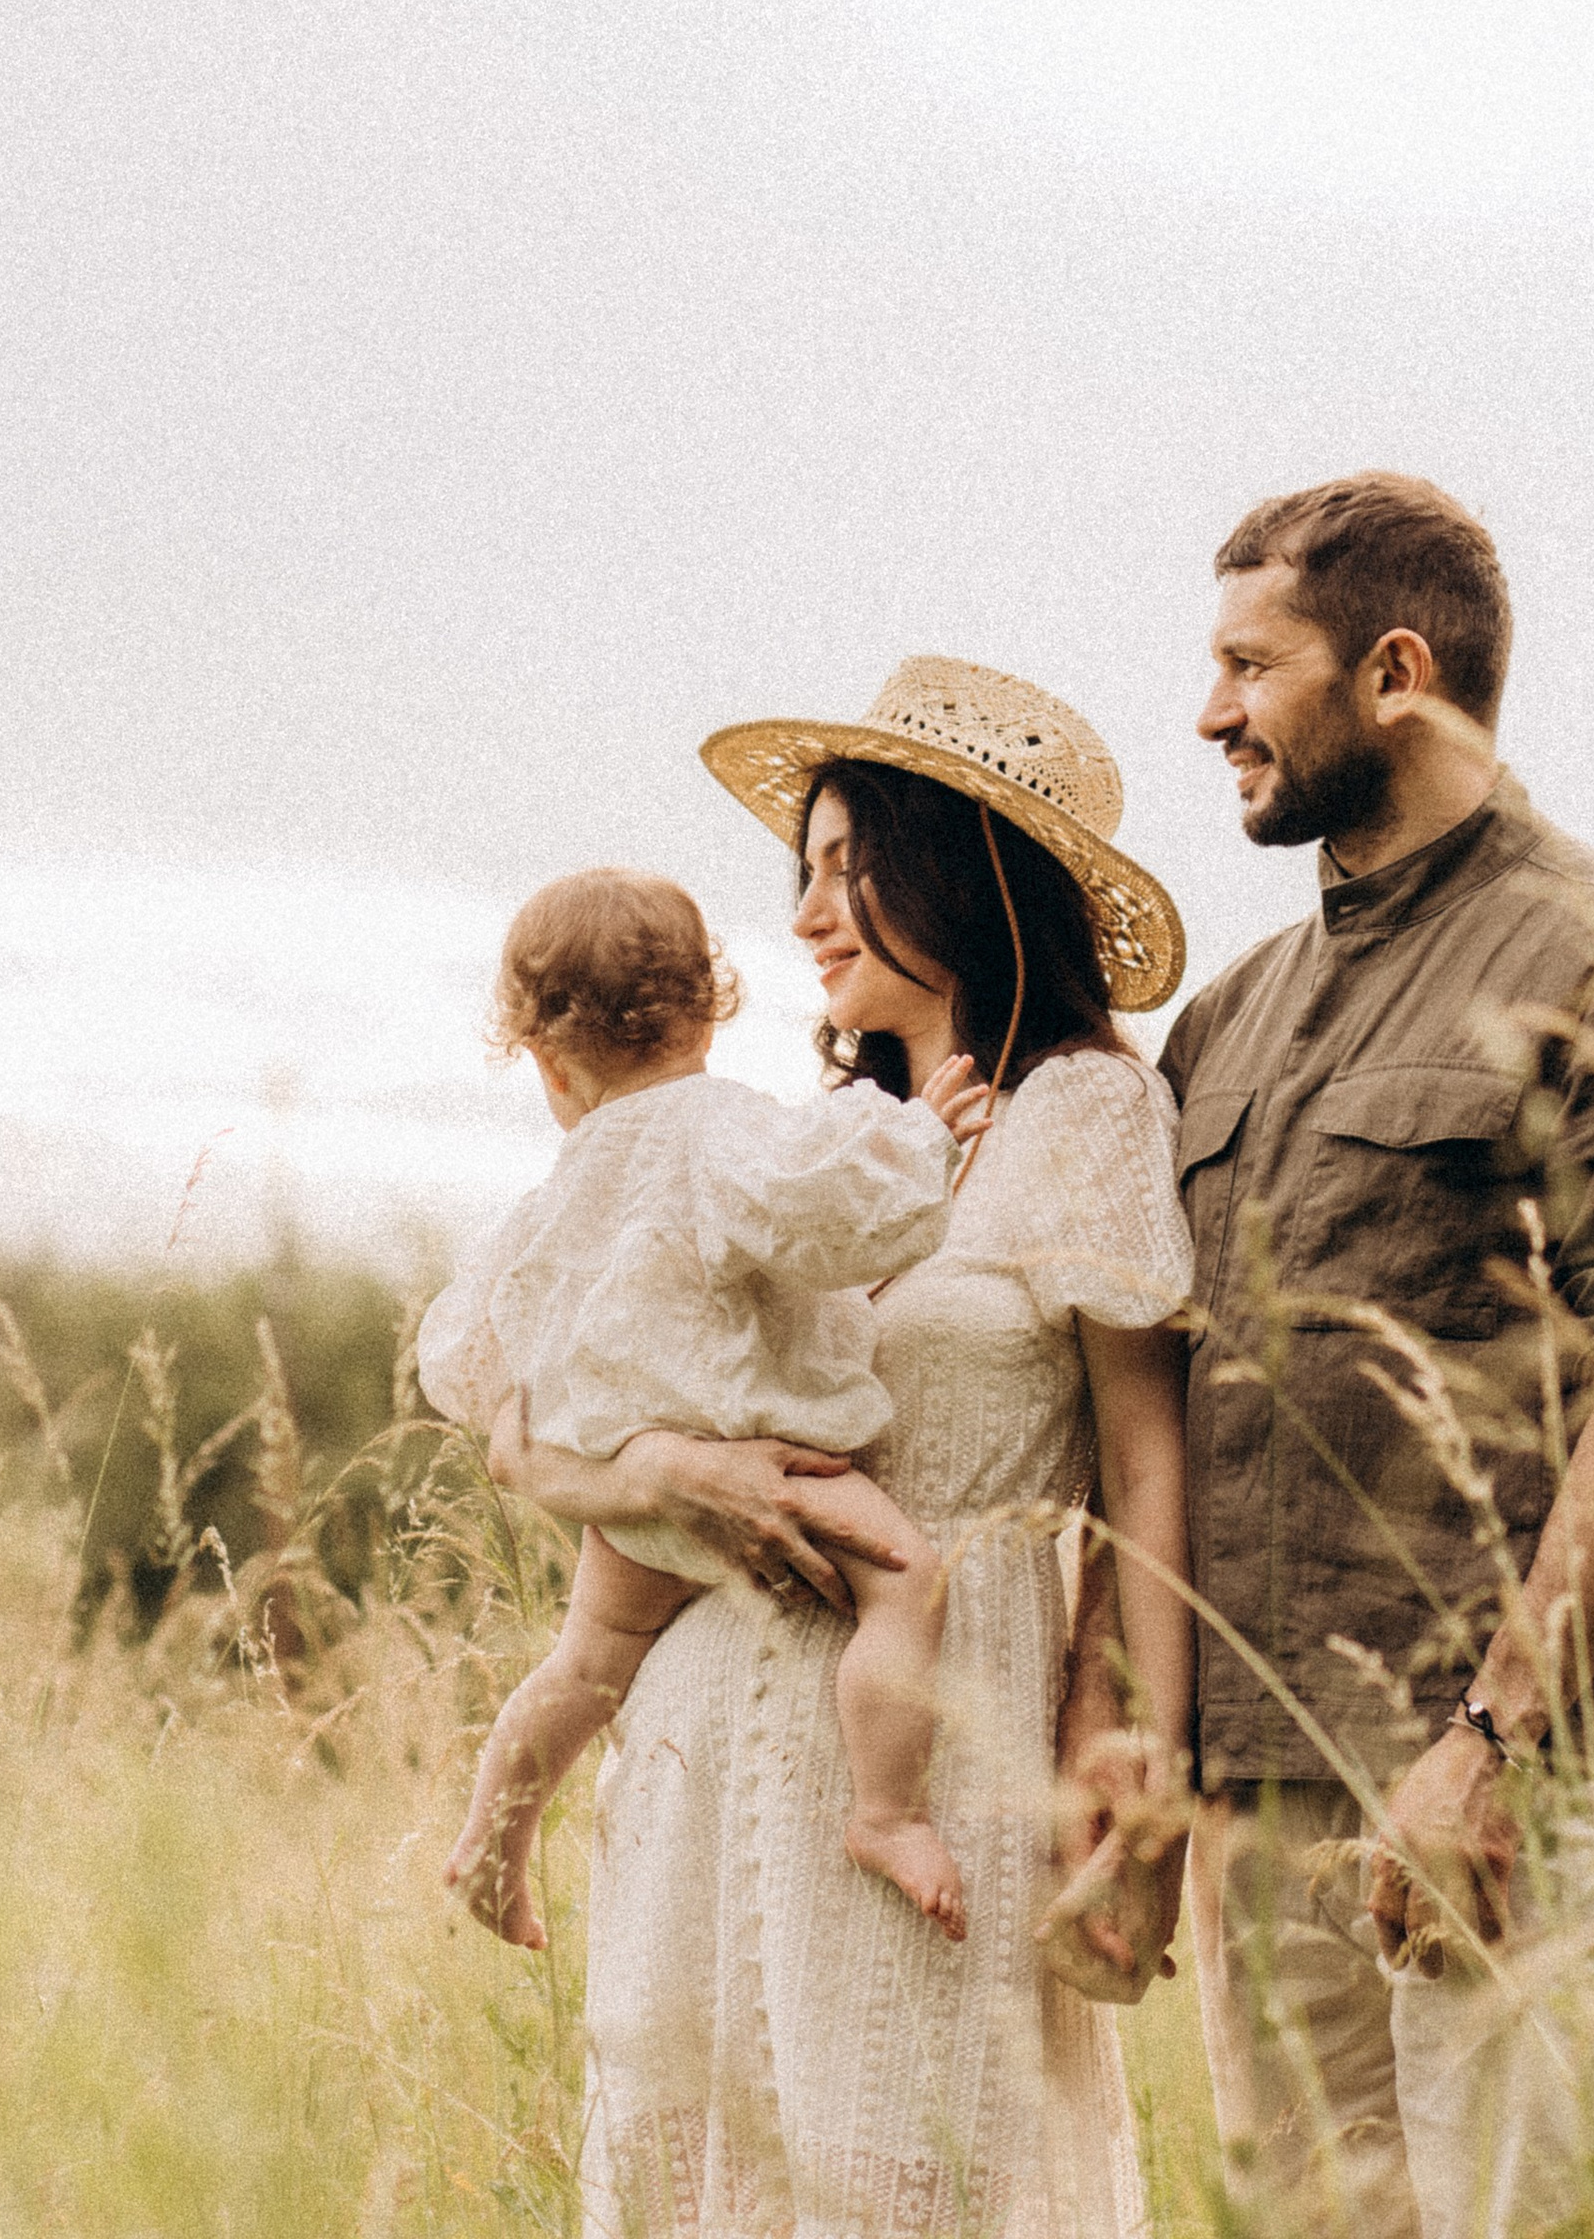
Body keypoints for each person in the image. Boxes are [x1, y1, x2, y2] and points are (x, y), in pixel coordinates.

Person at [477, 659, 1199, 2239]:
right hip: (704, 1726)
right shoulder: (794, 1149)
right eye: (795, 875)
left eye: (842, 867)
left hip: (946, 1731)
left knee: (908, 2160)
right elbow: (550, 1414)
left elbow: (1150, 1467)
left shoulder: (1083, 1111)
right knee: (699, 2168)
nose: (802, 915)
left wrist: (1143, 1762)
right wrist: (666, 1478)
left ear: (957, 870)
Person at [1158, 475, 1594, 2239]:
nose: (1210, 714)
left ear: (1395, 671)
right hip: (1258, 1808)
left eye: (1245, 665)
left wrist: (1492, 1743)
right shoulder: (1228, 1019)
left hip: (1492, 1787)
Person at [417, 864, 992, 1948]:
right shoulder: (720, 1133)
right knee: (906, 1580)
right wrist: (922, 1139)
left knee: (585, 1665)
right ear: (706, 1009)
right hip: (766, 1466)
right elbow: (825, 1214)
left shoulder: (561, 1190)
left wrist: (575, 1421)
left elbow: (467, 1346)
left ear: (546, 1064)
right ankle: (884, 1814)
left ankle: (491, 1842)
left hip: (631, 1498)